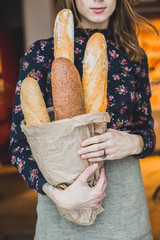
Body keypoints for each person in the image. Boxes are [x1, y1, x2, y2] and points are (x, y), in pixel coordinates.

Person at [9, 0, 157, 239]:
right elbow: (18, 144)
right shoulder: (42, 54)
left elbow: (147, 133)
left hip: (127, 215)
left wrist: (133, 142)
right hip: (61, 214)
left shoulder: (132, 55)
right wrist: (56, 194)